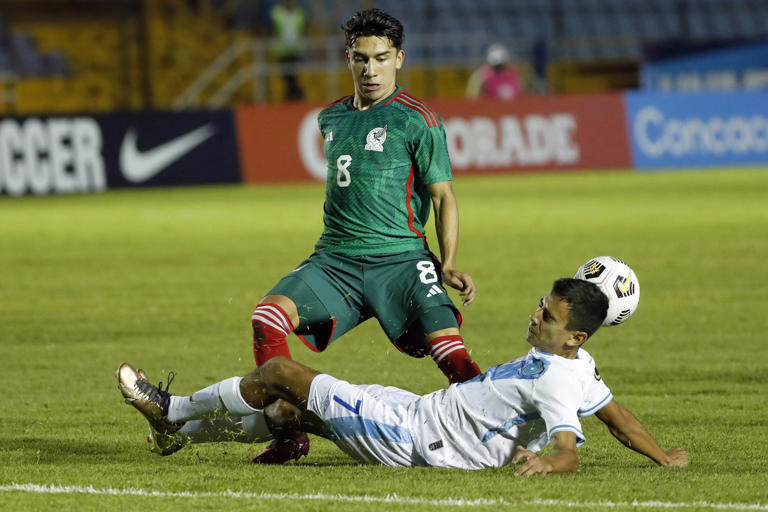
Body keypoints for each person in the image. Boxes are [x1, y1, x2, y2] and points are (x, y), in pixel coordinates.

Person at [116, 278, 690, 474]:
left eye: (548, 315)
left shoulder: (558, 382)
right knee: (283, 412)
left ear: (574, 336)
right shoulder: (581, 368)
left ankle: (171, 409)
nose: (535, 315)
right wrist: (662, 456)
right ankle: (179, 436)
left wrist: (548, 461)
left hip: (413, 436)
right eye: (541, 303)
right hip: (415, 410)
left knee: (281, 370)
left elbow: (570, 449)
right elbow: (617, 419)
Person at [238, 8, 483, 463]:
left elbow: (445, 197)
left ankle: (494, 432)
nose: (371, 69)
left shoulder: (418, 120)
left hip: (403, 260)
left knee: (451, 353)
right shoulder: (330, 119)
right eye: (362, 58)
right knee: (267, 318)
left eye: (382, 58)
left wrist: (446, 262)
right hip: (336, 261)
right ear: (348, 58)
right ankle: (288, 432)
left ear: (400, 59)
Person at [269, 0, 306, 101]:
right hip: (282, 51)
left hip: (295, 51)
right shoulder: (276, 13)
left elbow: (304, 29)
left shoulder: (299, 13)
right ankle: (295, 96)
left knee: (292, 77)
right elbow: (269, 29)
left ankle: (292, 96)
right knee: (286, 77)